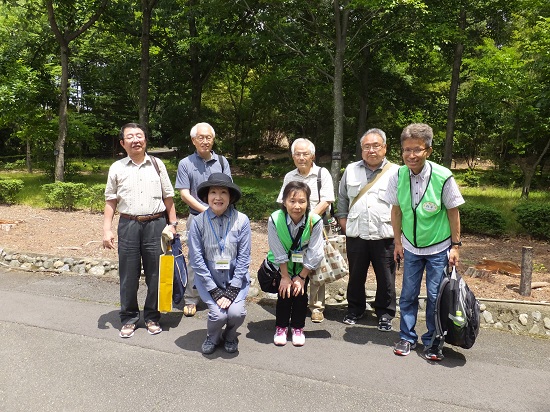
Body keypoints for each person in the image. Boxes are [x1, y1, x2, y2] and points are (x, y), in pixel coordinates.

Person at [382, 123, 465, 361]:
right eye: (406, 150)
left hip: (439, 247)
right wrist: (397, 242)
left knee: (434, 296)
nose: (411, 155)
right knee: (408, 294)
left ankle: (432, 340)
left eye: (417, 149)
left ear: (428, 150)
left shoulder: (443, 176)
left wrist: (455, 246)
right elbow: (396, 211)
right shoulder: (397, 176)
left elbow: (453, 212)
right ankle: (407, 337)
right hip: (410, 246)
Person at [103, 123, 178, 338]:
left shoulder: (157, 164)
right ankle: (129, 317)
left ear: (145, 139)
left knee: (156, 273)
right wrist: (107, 230)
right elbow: (110, 201)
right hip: (128, 225)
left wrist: (173, 224)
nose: (135, 140)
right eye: (130, 137)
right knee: (128, 274)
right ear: (122, 143)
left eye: (139, 135)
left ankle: (152, 316)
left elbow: (168, 196)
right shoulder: (117, 167)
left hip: (156, 224)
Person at [336, 128, 399, 331]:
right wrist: (343, 223)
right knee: (356, 275)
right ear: (362, 149)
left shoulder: (397, 171)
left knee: (386, 278)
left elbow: (403, 205)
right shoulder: (351, 169)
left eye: (376, 146)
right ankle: (355, 309)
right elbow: (343, 198)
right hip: (357, 233)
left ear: (385, 148)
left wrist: (401, 236)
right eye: (367, 146)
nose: (371, 150)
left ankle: (385, 313)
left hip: (385, 234)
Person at [187, 173, 251, 354]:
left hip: (235, 278)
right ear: (207, 197)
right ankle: (213, 336)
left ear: (230, 197)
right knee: (218, 314)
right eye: (213, 192)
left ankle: (230, 336)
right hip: (210, 279)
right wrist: (213, 290)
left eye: (223, 192)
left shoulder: (242, 220)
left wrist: (232, 289)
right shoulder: (198, 222)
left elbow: (244, 257)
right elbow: (196, 259)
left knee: (236, 313)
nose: (218, 197)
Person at [174, 122, 231, 317]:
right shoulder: (186, 163)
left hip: (222, 218)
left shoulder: (222, 162)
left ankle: (220, 293)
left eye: (208, 137)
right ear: (193, 140)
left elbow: (228, 191)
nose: (205, 141)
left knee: (222, 255)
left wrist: (219, 211)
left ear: (213, 139)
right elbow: (184, 194)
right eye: (201, 137)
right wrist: (207, 210)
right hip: (197, 217)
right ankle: (191, 298)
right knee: (195, 258)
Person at [276, 138, 334, 323]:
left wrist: (309, 221)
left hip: (315, 225)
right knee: (295, 261)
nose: (301, 157)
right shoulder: (289, 176)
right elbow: (282, 202)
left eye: (305, 154)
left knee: (315, 263)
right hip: (292, 227)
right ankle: (294, 297)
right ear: (293, 157)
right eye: (298, 154)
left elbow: (326, 201)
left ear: (313, 156)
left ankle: (317, 307)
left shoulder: (322, 174)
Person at [268, 181, 324, 347]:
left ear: (308, 203)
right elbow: (277, 248)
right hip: (282, 265)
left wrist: (301, 276)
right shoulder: (275, 219)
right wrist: (285, 276)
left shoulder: (315, 220)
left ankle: (298, 327)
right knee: (284, 293)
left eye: (302, 201)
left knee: (300, 294)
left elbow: (315, 250)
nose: (297, 206)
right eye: (292, 201)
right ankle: (281, 327)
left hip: (303, 266)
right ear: (284, 201)